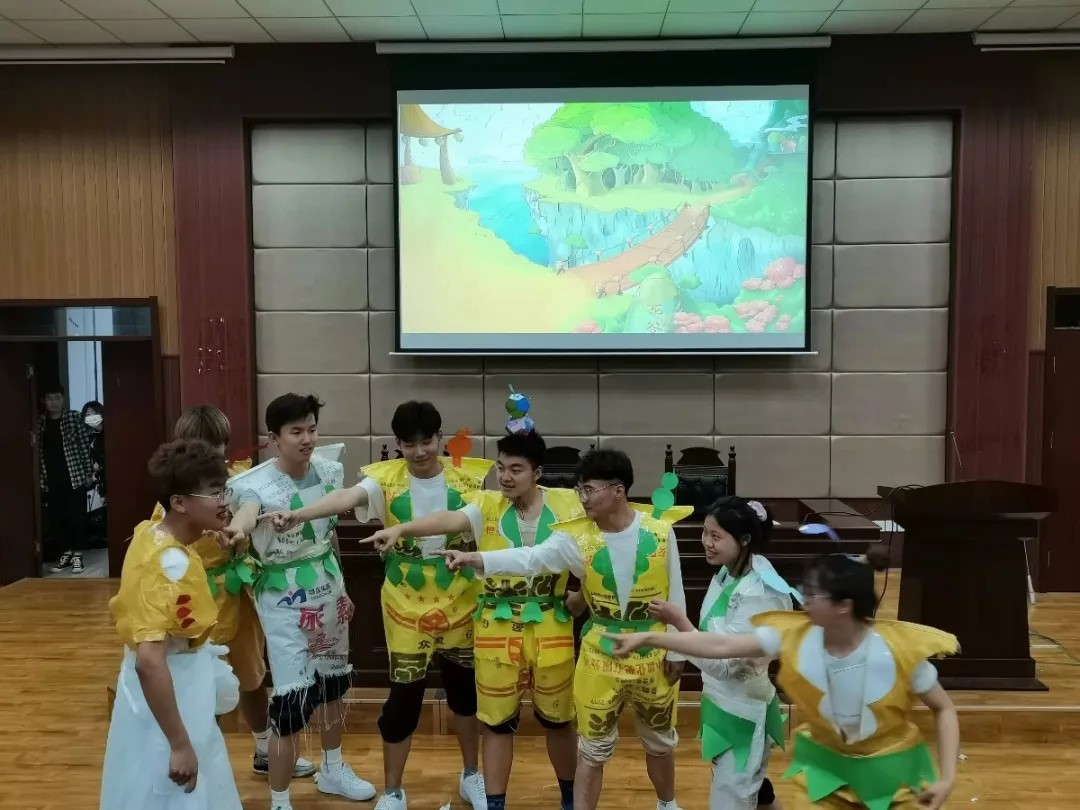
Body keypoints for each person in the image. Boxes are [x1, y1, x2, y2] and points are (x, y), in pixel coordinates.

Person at [266, 400, 493, 810]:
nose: (419, 452)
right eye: (409, 444)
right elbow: (345, 497)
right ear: (398, 444)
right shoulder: (385, 480)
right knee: (403, 700)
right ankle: (393, 791)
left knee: (465, 695)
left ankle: (472, 775)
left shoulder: (470, 479)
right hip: (405, 605)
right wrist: (299, 515)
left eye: (427, 442)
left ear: (441, 439)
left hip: (462, 601)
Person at [437, 448, 691, 810]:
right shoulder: (576, 537)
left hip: (652, 655)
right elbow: (530, 558)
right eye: (580, 490)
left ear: (618, 490)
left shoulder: (661, 532)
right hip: (600, 656)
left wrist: (678, 651)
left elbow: (676, 592)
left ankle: (668, 804)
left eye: (589, 490)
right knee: (592, 747)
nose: (582, 498)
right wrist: (475, 558)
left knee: (660, 741)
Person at [604, 554, 961, 810]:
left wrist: (945, 779)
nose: (804, 598)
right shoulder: (795, 636)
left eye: (814, 593)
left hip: (892, 778)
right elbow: (722, 646)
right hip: (830, 774)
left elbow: (944, 709)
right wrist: (651, 638)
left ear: (843, 606)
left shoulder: (898, 652)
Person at [365, 428, 583, 810]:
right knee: (496, 722)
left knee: (559, 720)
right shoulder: (486, 503)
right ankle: (495, 803)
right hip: (496, 626)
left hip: (550, 626)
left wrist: (582, 599)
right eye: (501, 468)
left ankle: (570, 798)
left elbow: (592, 555)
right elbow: (448, 520)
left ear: (538, 472)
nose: (505, 477)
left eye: (516, 469)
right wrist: (401, 527)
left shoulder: (569, 505)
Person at [149, 405, 317, 780]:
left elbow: (256, 513)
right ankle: (202, 761)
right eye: (202, 447)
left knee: (252, 677)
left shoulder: (242, 479)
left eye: (218, 446)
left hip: (239, 594)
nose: (212, 456)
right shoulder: (175, 495)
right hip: (194, 601)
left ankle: (264, 748)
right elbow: (160, 544)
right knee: (201, 683)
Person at [227, 394, 375, 810]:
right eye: (296, 431)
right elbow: (246, 515)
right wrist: (237, 531)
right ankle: (280, 800)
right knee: (291, 698)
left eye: (311, 429)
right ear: (274, 438)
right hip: (284, 598)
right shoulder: (254, 484)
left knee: (333, 683)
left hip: (329, 588)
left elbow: (330, 535)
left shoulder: (329, 470)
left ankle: (333, 768)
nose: (307, 438)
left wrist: (344, 588)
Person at [99, 439, 243, 810]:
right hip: (172, 690)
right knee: (174, 785)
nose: (224, 501)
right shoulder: (169, 565)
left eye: (223, 490)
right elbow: (150, 661)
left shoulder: (151, 532)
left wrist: (207, 531)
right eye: (214, 493)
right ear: (179, 502)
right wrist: (179, 743)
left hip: (172, 686)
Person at [646, 496, 802, 810]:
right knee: (751, 788)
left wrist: (679, 623)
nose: (706, 542)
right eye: (705, 532)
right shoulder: (729, 571)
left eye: (716, 536)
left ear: (744, 540)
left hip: (742, 711)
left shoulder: (759, 592)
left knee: (733, 796)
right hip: (722, 704)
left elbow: (726, 665)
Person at [39, 383, 95, 573]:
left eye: (57, 398)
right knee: (58, 518)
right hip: (51, 478)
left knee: (76, 517)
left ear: (63, 399)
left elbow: (84, 445)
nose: (53, 403)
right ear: (43, 401)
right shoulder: (40, 422)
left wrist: (89, 473)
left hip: (74, 475)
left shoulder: (72, 417)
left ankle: (78, 556)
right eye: (49, 399)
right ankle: (66, 554)